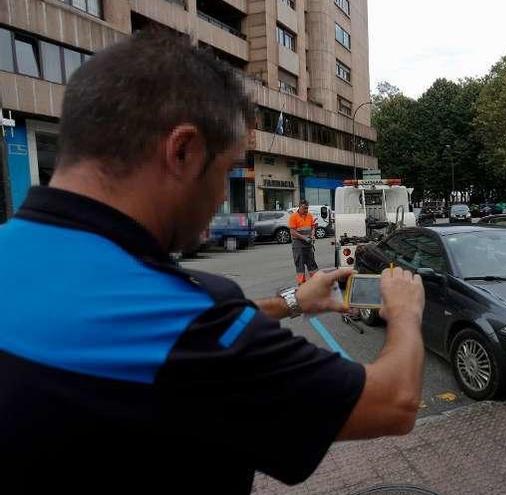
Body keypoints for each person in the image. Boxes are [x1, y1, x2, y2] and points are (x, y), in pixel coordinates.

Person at [0, 32, 425, 494]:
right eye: (226, 170)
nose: (223, 195)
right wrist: (404, 311)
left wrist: (291, 302)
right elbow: (394, 403)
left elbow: (144, 336)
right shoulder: (185, 327)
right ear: (183, 151)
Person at [289, 199, 319, 284]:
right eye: (304, 208)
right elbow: (293, 232)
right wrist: (305, 238)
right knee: (300, 264)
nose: (306, 210)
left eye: (307, 208)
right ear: (299, 207)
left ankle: (315, 282)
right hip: (298, 244)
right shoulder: (293, 217)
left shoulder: (309, 215)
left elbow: (312, 227)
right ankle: (302, 284)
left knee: (311, 263)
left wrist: (313, 235)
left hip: (308, 243)